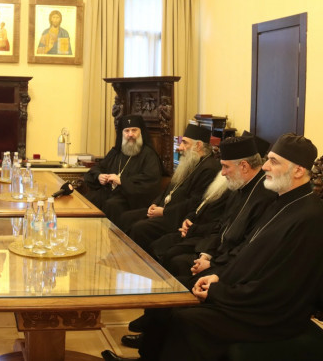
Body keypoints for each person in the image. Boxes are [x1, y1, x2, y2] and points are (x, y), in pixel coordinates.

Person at [103, 133, 323, 361]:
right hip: (247, 294)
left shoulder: (309, 218)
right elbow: (248, 252)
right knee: (175, 294)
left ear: (298, 170)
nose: (265, 166)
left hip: (271, 315)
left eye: (274, 161)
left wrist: (219, 291)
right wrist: (219, 276)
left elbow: (280, 285)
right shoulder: (281, 201)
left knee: (187, 318)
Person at [121, 136, 277, 350]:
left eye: (226, 167)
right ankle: (152, 332)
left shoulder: (265, 196)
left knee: (176, 265)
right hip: (215, 252)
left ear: (243, 166)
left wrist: (212, 263)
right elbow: (222, 226)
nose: (222, 173)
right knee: (170, 258)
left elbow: (247, 245)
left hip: (227, 266)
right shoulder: (240, 187)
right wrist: (206, 254)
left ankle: (154, 339)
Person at [114, 123, 220, 252]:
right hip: (163, 210)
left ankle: (137, 262)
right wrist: (155, 203)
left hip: (177, 217)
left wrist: (164, 212)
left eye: (185, 143)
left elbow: (194, 202)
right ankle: (117, 256)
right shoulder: (192, 161)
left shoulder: (209, 169)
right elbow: (168, 189)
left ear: (198, 146)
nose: (180, 147)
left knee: (140, 228)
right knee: (125, 218)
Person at [83, 115, 162, 220]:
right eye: (127, 131)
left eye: (134, 130)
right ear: (122, 133)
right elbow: (97, 168)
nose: (130, 134)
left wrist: (121, 181)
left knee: (112, 205)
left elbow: (150, 184)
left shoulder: (149, 154)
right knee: (89, 199)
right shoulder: (116, 152)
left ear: (141, 132)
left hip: (131, 199)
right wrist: (99, 176)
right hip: (111, 193)